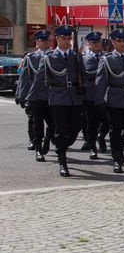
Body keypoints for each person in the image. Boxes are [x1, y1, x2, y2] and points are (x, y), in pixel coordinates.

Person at [27, 25, 85, 177]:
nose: (67, 41)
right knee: (60, 129)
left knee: (75, 129)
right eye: (64, 39)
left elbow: (83, 77)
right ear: (57, 39)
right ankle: (62, 161)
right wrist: (30, 99)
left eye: (69, 39)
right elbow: (39, 79)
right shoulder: (49, 57)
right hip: (57, 98)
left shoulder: (76, 56)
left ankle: (60, 146)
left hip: (74, 97)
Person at [95, 28, 124, 173]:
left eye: (123, 40)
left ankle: (117, 147)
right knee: (115, 130)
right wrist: (99, 101)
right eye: (118, 40)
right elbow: (101, 81)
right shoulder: (107, 59)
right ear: (113, 42)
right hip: (114, 97)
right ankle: (117, 159)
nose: (122, 43)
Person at [17, 30, 53, 162]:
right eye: (42, 40)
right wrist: (22, 96)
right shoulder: (30, 57)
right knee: (37, 124)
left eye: (47, 40)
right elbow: (24, 78)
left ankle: (48, 140)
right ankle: (38, 149)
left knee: (53, 124)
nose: (45, 42)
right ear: (37, 42)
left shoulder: (54, 55)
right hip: (36, 95)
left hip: (53, 95)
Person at [82, 31, 107, 160]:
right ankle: (92, 148)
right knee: (91, 123)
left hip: (105, 95)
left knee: (108, 121)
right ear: (89, 45)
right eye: (93, 42)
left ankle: (101, 136)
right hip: (90, 94)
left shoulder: (107, 57)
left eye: (98, 42)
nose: (97, 44)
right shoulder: (83, 58)